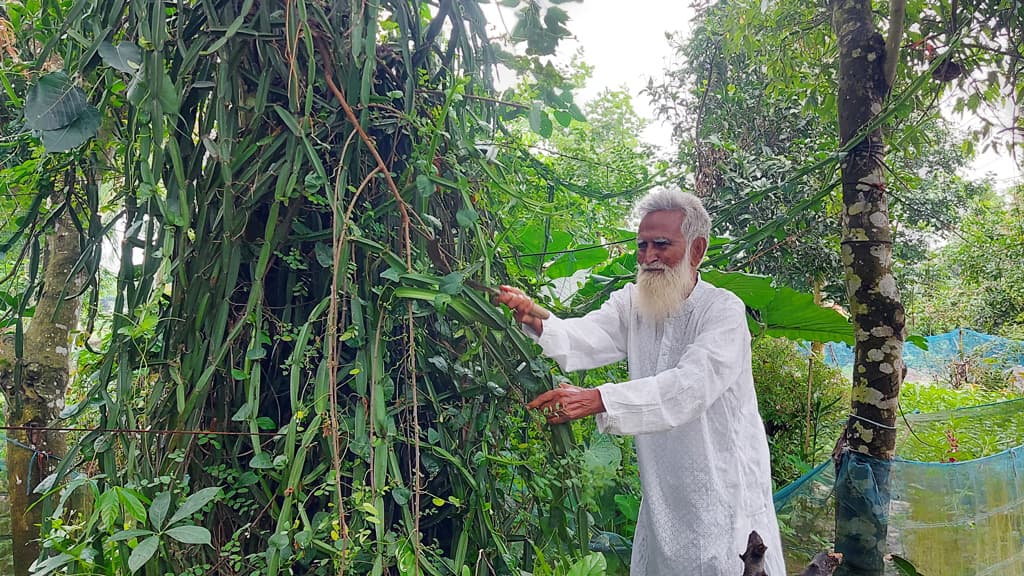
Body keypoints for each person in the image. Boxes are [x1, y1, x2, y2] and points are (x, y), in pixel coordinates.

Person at [496, 187, 786, 576]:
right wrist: (534, 318)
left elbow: (690, 387)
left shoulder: (723, 312)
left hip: (721, 489)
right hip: (662, 488)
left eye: (661, 245)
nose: (648, 257)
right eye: (642, 245)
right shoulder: (633, 302)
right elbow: (585, 336)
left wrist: (599, 399)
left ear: (696, 250)